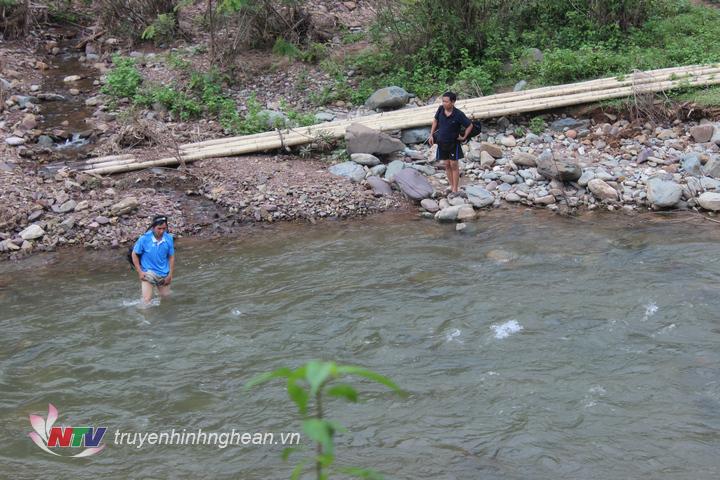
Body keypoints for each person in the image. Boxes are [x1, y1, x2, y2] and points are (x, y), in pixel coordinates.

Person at [428, 91, 473, 195]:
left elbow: (469, 125)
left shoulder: (458, 114)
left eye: (446, 102)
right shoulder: (440, 109)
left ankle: (455, 189)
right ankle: (451, 185)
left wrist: (464, 136)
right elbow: (435, 121)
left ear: (453, 102)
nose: (444, 103)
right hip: (441, 142)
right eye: (443, 101)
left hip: (453, 143)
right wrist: (431, 135)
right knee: (446, 164)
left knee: (454, 164)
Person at [131, 215, 175, 304]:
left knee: (167, 298)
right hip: (148, 273)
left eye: (164, 228)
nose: (162, 231)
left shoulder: (169, 238)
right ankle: (144, 317)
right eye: (159, 228)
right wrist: (140, 272)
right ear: (153, 227)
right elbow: (134, 254)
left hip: (164, 273)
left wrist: (170, 274)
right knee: (146, 301)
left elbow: (171, 256)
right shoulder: (144, 239)